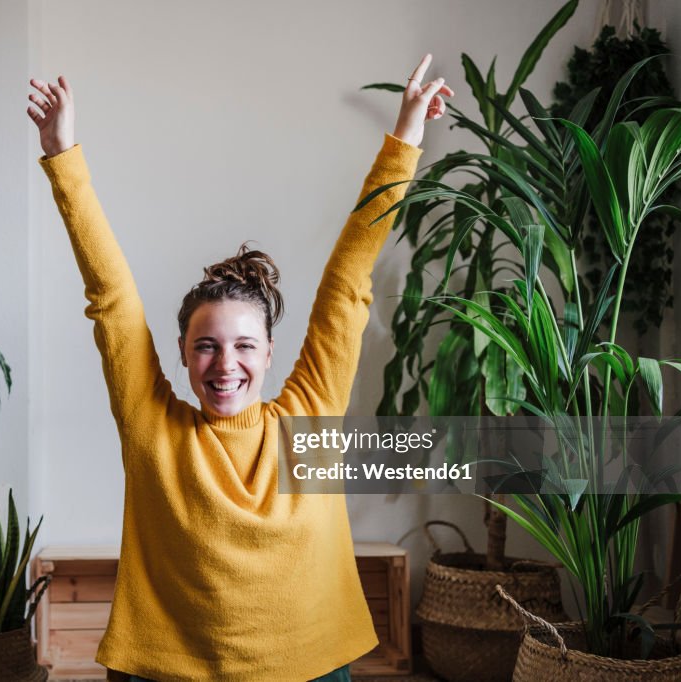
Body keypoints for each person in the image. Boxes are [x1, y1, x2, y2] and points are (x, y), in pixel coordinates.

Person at [27, 55, 452, 682]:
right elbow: (112, 299)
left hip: (309, 667)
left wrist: (407, 135)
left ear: (270, 353)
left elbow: (348, 281)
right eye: (206, 346)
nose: (226, 364)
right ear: (181, 352)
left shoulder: (310, 416)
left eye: (245, 346)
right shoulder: (154, 429)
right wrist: (64, 156)